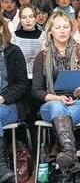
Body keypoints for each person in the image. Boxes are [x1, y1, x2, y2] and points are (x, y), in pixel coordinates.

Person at [32, 11, 80, 180]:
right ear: (50, 31)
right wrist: (58, 98)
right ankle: (70, 154)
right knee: (57, 107)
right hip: (51, 103)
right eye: (57, 27)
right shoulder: (42, 56)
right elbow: (36, 90)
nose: (62, 31)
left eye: (66, 27)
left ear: (71, 29)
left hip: (79, 102)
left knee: (66, 113)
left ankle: (66, 164)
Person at [0, 10, 28, 183]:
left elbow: (21, 83)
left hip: (8, 104)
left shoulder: (13, 51)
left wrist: (2, 98)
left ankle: (1, 166)